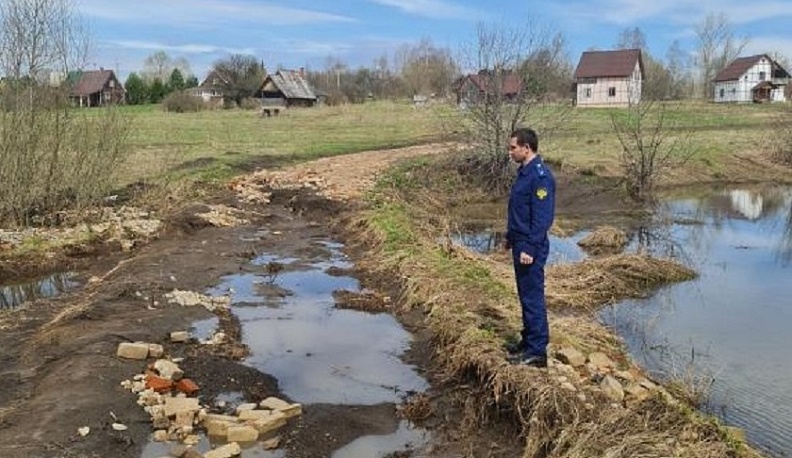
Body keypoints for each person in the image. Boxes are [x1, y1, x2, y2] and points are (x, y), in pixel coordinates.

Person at [504, 127, 555, 368]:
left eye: (513, 147)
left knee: (533, 296)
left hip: (530, 246)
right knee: (525, 295)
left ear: (527, 148)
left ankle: (537, 351)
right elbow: (519, 210)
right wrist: (509, 237)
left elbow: (542, 219)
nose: (510, 151)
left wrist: (530, 248)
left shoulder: (540, 176)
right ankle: (528, 339)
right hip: (520, 242)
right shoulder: (523, 173)